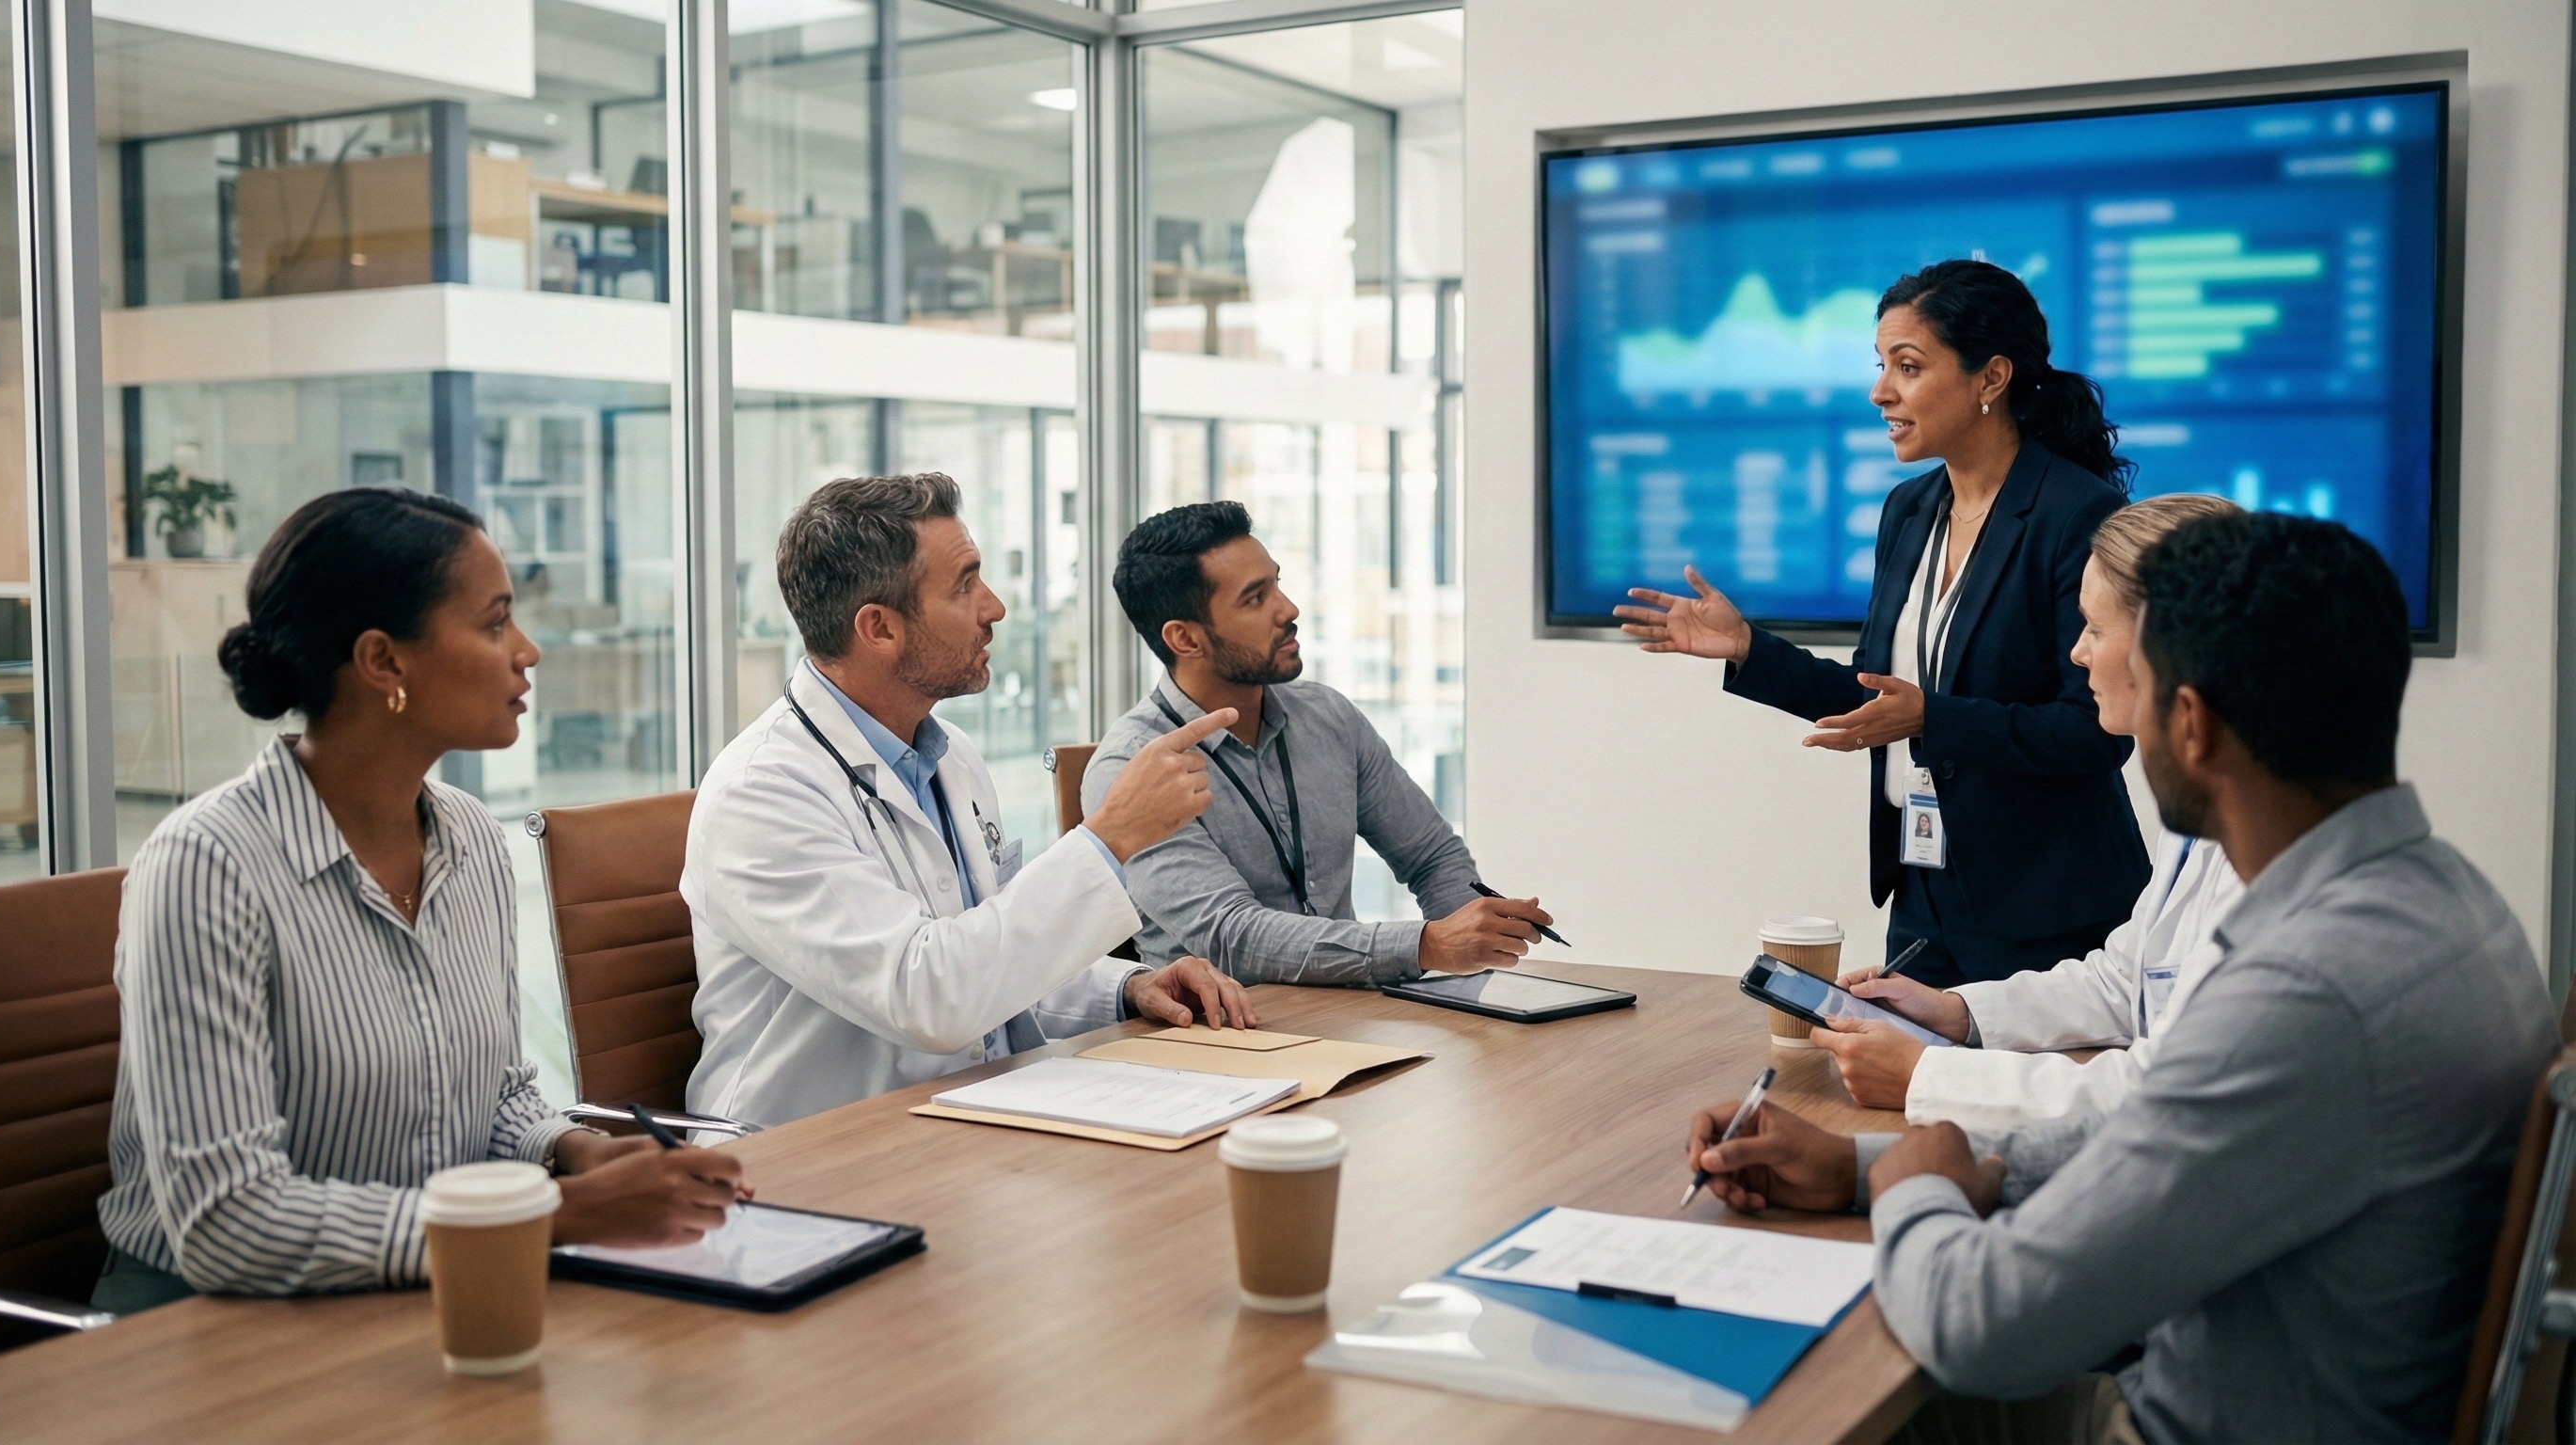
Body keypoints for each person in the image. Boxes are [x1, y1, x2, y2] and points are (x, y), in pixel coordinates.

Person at [1683, 513, 2555, 1444]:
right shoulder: (2445, 903)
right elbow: (2153, 1140)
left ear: (2190, 721)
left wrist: (1910, 1188)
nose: (2079, 658)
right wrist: (1859, 1168)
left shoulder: (2310, 994)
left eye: (2099, 637)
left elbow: (1984, 1330)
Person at [97, 488, 747, 1313]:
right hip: (208, 1327)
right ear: (383, 662)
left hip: (426, 1290)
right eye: (494, 622)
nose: (528, 651)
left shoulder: (469, 839)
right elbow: (231, 1222)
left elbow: (496, 1089)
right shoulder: (206, 869)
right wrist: (555, 1215)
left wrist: (574, 1151)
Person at [1618, 260, 2148, 987]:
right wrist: (1747, 649)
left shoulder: (2073, 514)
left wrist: (1932, 718)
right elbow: (1881, 699)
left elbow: (2095, 731)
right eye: (1881, 365)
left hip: (2046, 904)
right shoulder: (1909, 510)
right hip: (1923, 883)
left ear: (1991, 378)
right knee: (1900, 1093)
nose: (1881, 392)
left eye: (1908, 365)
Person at [685, 474, 1256, 1129]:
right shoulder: (761, 796)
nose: (995, 608)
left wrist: (1126, 988)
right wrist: (1112, 835)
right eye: (965, 585)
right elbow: (929, 996)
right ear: (878, 628)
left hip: (962, 1115)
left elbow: (991, 952)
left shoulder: (947, 753)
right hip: (812, 1154)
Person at [1813, 494, 2246, 1129]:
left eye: (2095, 631)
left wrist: (1928, 1075)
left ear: (2173, 647)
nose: (2077, 654)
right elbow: (2121, 983)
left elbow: (2174, 1095)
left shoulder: (2269, 860)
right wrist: (1954, 1013)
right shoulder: (2204, 820)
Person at [1083, 501, 1551, 984]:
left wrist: (1476, 958)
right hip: (1221, 1037)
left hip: (1351, 1013)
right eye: (1255, 598)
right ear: (1184, 639)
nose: (1288, 609)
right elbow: (1231, 938)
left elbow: (1432, 856)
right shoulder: (1133, 767)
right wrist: (1427, 946)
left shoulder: (1327, 716)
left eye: (1277, 584)